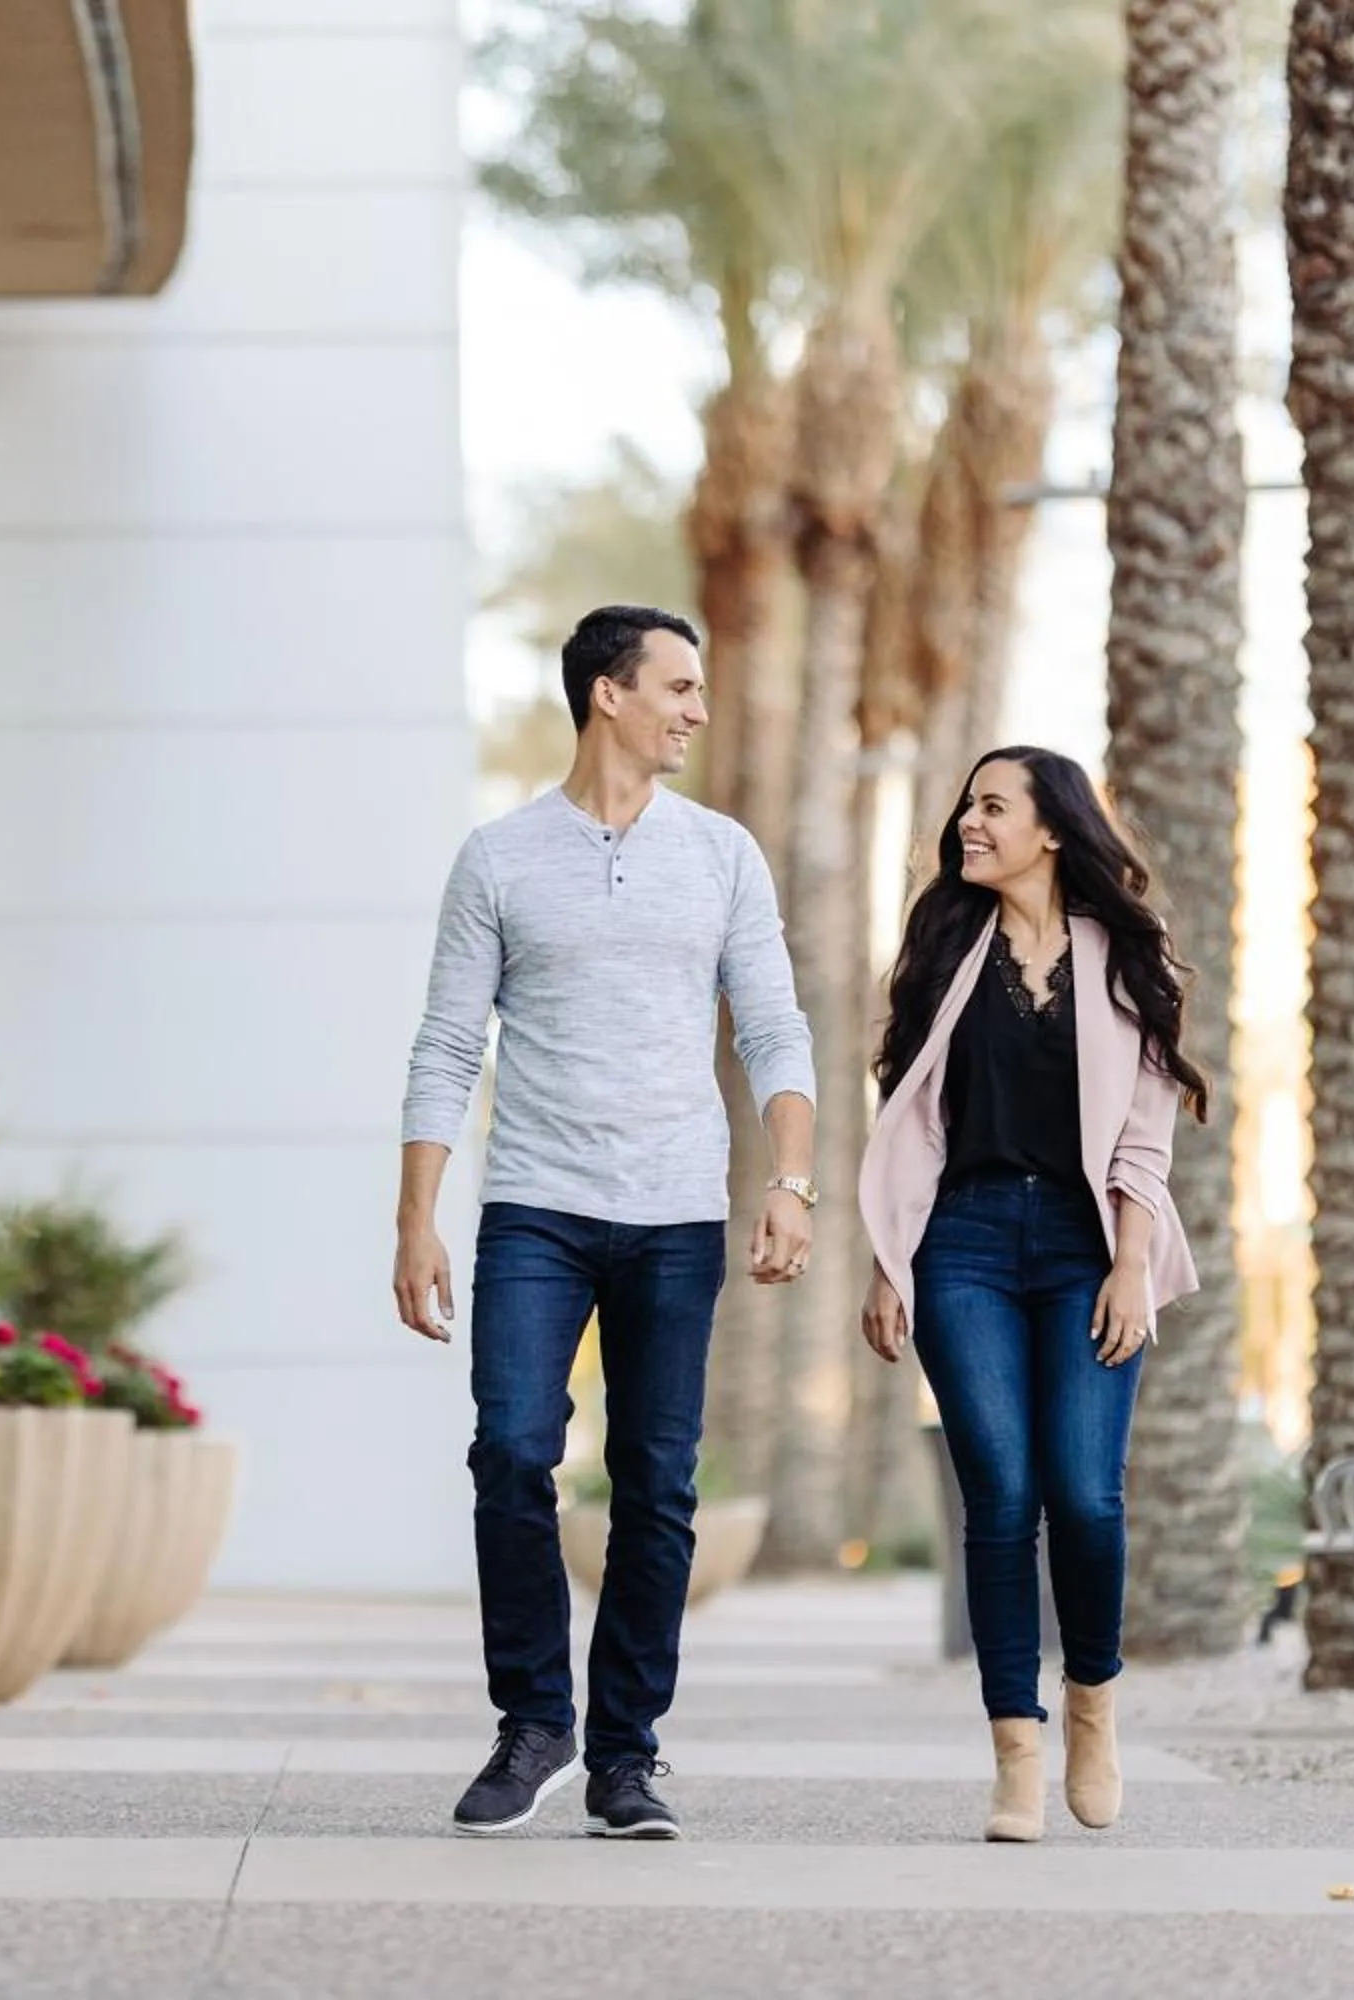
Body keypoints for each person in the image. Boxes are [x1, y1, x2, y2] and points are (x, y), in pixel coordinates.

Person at [396, 605, 818, 1839]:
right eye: (678, 686)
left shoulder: (725, 853)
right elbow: (444, 1047)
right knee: (513, 1452)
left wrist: (787, 1181)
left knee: (657, 1482)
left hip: (677, 1212)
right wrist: (417, 1217)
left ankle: (627, 1752)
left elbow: (777, 1027)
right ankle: (535, 1719)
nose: (696, 707)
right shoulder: (498, 857)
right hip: (534, 1205)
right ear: (608, 697)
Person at [855, 746, 1206, 1843]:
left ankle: (1093, 1707)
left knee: (1087, 1495)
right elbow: (908, 1112)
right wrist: (888, 1258)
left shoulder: (1121, 959)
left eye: (992, 805)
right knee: (1000, 1497)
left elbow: (1145, 1135)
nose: (969, 820)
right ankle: (1016, 1751)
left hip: (1083, 1242)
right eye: (968, 803)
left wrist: (1132, 1261)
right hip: (960, 1241)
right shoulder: (946, 949)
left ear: (1052, 826)